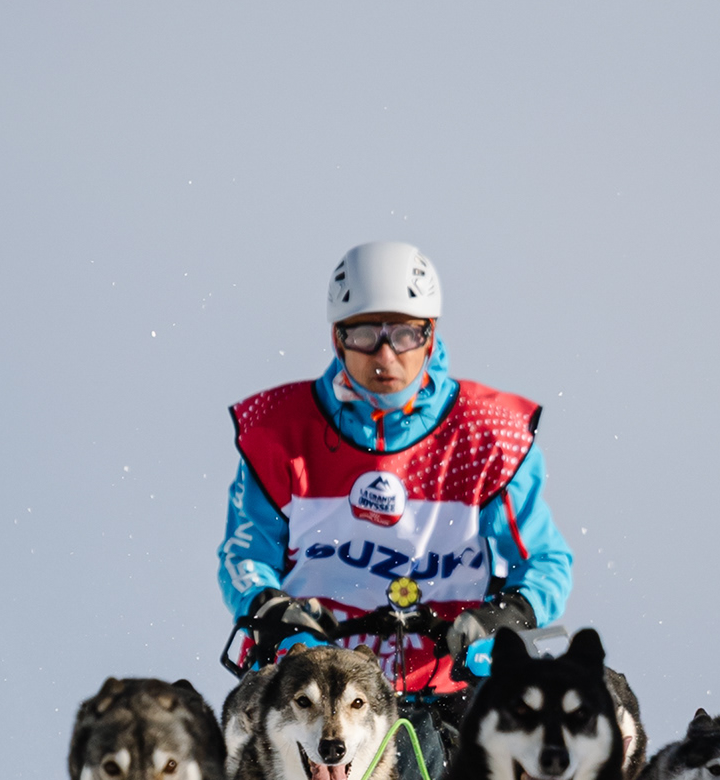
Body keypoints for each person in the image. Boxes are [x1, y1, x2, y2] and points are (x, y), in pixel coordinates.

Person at [218, 241, 572, 712]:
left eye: (404, 334)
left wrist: (508, 614)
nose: (385, 354)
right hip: (313, 696)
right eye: (364, 333)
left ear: (430, 334)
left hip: (451, 690)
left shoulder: (490, 437)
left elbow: (545, 562)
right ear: (336, 337)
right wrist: (271, 609)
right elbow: (244, 554)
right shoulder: (276, 434)